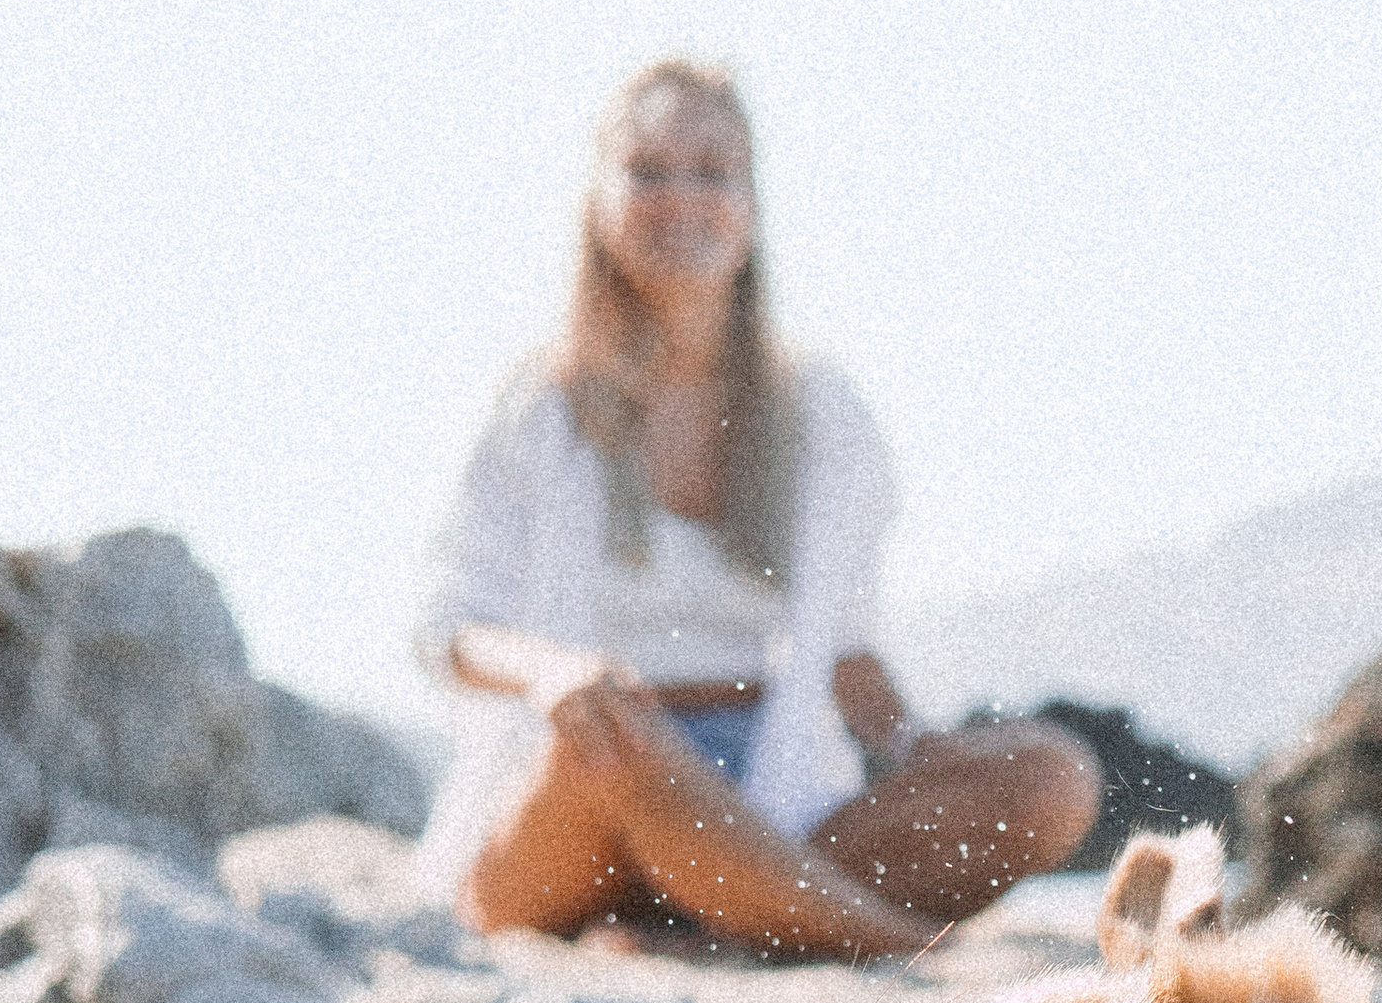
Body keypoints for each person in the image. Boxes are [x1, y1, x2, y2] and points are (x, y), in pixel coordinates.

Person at [414, 61, 1098, 957]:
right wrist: (552, 672)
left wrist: (910, 741)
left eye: (712, 171)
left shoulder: (821, 410)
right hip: (580, 801)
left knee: (1056, 778)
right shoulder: (541, 403)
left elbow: (845, 644)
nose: (681, 198)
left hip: (768, 799)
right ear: (599, 200)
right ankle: (895, 946)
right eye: (647, 171)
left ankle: (711, 916)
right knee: (620, 732)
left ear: (750, 202)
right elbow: (446, 628)